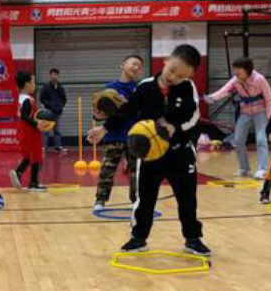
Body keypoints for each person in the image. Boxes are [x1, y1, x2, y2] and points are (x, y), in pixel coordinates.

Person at [88, 44, 211, 257]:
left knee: (187, 198)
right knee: (144, 198)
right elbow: (127, 111)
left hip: (180, 152)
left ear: (190, 75)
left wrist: (177, 127)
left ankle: (192, 239)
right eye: (172, 70)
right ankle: (138, 237)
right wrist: (104, 128)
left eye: (182, 75)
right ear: (165, 61)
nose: (174, 77)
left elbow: (193, 117)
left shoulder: (188, 87)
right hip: (150, 155)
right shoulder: (145, 87)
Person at [204, 57, 271, 179]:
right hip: (245, 112)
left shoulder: (260, 79)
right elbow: (224, 91)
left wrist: (269, 116)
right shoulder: (236, 80)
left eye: (238, 69)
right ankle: (244, 169)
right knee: (238, 140)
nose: (235, 71)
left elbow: (268, 98)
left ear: (247, 69)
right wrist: (212, 97)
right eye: (234, 68)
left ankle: (263, 169)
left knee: (261, 140)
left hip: (260, 112)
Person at [93, 55, 144, 211]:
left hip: (134, 136)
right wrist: (98, 116)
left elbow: (141, 113)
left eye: (139, 66)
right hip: (114, 136)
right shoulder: (109, 88)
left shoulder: (139, 89)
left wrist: (127, 105)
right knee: (107, 169)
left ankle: (136, 200)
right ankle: (100, 200)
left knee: (137, 171)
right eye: (133, 63)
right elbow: (99, 113)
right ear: (122, 65)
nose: (136, 67)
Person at [10, 72, 49, 191]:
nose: (34, 85)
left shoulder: (21, 98)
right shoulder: (27, 100)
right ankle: (33, 183)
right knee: (36, 156)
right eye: (33, 82)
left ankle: (18, 173)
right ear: (27, 84)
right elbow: (24, 116)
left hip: (23, 130)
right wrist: (37, 123)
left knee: (28, 156)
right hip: (30, 131)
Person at [39, 67, 67, 154]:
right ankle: (44, 147)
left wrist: (61, 106)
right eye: (53, 75)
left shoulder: (60, 87)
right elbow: (41, 98)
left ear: (58, 76)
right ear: (50, 75)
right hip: (48, 111)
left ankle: (58, 146)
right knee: (46, 130)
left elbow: (64, 98)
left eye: (56, 75)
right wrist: (49, 105)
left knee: (57, 130)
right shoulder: (46, 86)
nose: (54, 76)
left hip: (57, 112)